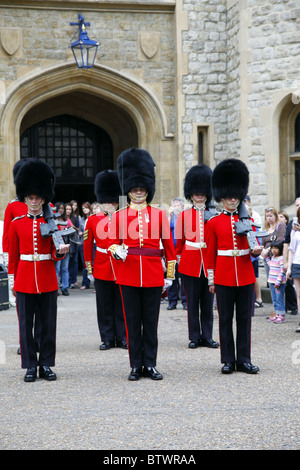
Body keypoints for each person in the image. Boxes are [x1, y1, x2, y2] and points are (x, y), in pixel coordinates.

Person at [108, 148, 176, 381]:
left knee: (151, 322)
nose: (138, 192)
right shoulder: (119, 215)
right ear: (129, 190)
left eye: (142, 189)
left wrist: (169, 275)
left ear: (147, 190)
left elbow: (170, 249)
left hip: (153, 274)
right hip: (128, 274)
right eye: (135, 189)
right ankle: (135, 365)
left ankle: (151, 364)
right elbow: (111, 245)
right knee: (132, 322)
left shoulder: (159, 215)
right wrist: (117, 251)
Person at [8, 159, 69, 382]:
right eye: (30, 198)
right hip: (24, 278)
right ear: (25, 198)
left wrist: (61, 252)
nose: (34, 201)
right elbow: (13, 255)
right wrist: (13, 281)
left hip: (46, 277)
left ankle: (45, 364)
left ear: (43, 198)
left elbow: (54, 253)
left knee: (47, 324)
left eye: (37, 198)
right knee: (26, 325)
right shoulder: (17, 223)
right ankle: (30, 365)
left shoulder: (51, 222)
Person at [206, 158, 261, 375]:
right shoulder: (214, 223)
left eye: (235, 195)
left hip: (246, 275)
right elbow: (210, 254)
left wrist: (257, 252)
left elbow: (256, 246)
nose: (232, 199)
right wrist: (211, 280)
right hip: (223, 276)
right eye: (228, 195)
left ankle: (244, 360)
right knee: (226, 319)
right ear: (221, 197)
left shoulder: (249, 221)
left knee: (245, 320)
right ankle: (228, 359)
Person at [175, 164, 219, 349]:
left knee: (208, 304)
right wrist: (178, 261)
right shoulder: (184, 215)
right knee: (192, 303)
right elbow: (179, 243)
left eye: (202, 193)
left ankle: (207, 336)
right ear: (191, 194)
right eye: (196, 193)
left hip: (208, 263)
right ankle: (194, 336)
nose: (199, 195)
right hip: (190, 263)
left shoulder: (214, 214)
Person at [84, 170, 127, 350]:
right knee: (104, 305)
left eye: (112, 201)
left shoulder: (125, 218)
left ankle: (123, 336)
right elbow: (87, 246)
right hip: (101, 265)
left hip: (120, 265)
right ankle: (108, 337)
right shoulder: (93, 220)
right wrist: (89, 269)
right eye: (106, 202)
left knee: (121, 304)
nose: (109, 204)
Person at [166, 197, 186, 310]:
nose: (176, 207)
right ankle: (172, 301)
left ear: (182, 207)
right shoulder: (170, 217)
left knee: (184, 278)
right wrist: (169, 215)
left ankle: (185, 301)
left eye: (178, 205)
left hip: (182, 252)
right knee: (171, 276)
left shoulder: (184, 217)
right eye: (174, 205)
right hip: (171, 252)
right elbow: (165, 229)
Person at [260, 207, 286, 281]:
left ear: (275, 216)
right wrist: (263, 251)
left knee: (279, 282)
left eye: (271, 216)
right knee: (270, 281)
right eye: (267, 216)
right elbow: (262, 244)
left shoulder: (280, 226)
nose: (269, 218)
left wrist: (268, 250)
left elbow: (280, 240)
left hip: (277, 259)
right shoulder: (265, 230)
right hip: (267, 258)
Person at [287, 206, 300, 332]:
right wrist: (289, 267)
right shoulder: (294, 229)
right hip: (297, 263)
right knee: (299, 295)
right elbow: (291, 248)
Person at [266, 241, 287, 324]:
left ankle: (281, 315)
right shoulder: (273, 257)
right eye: (272, 248)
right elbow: (271, 265)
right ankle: (277, 313)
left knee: (279, 299)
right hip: (271, 281)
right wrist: (267, 258)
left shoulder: (281, 258)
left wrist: (278, 281)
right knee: (274, 299)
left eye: (276, 248)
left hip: (278, 283)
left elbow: (282, 271)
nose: (274, 250)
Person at [54, 202, 71, 296]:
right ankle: (56, 289)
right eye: (59, 208)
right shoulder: (53, 220)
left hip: (66, 245)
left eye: (62, 208)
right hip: (57, 247)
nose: (61, 210)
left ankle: (65, 287)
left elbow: (73, 230)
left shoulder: (67, 220)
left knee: (65, 268)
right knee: (57, 269)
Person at [66, 202, 80, 289]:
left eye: (69, 209)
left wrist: (73, 226)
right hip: (64, 243)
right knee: (64, 264)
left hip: (73, 242)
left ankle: (72, 280)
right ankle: (64, 281)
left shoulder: (74, 219)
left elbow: (78, 229)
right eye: (66, 209)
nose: (68, 211)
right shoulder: (61, 218)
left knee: (73, 262)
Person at [79, 202, 91, 290]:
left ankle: (96, 283)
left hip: (92, 243)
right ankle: (85, 283)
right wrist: (80, 233)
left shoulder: (93, 218)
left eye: (86, 208)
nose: (85, 210)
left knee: (93, 264)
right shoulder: (82, 219)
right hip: (83, 243)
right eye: (83, 208)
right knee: (85, 264)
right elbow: (79, 230)